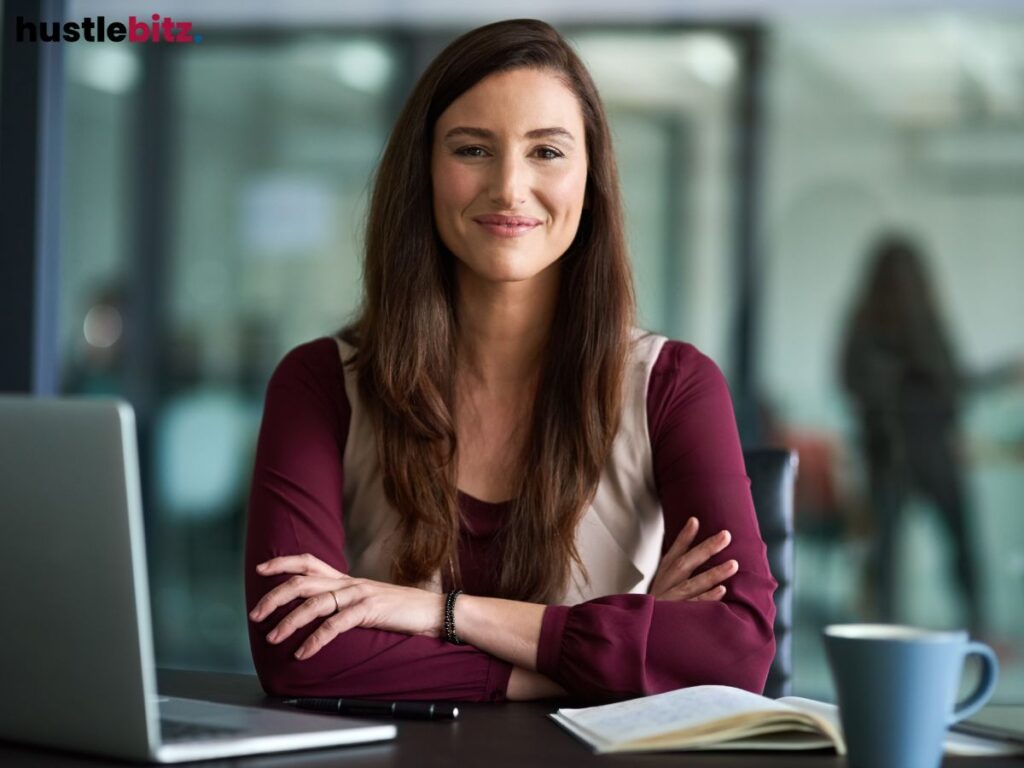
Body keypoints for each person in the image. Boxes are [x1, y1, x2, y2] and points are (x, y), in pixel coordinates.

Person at [245, 19, 777, 703]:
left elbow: (736, 653)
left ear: (591, 181)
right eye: (472, 149)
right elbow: (299, 655)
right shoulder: (319, 384)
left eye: (546, 152)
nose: (509, 187)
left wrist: (441, 616)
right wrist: (603, 657)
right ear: (424, 172)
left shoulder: (673, 386)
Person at [841, 232, 1024, 632]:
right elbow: (953, 385)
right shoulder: (925, 327)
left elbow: (853, 384)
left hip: (888, 453)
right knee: (956, 543)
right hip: (926, 451)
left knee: (887, 552)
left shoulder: (864, 328)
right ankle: (978, 630)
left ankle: (883, 633)